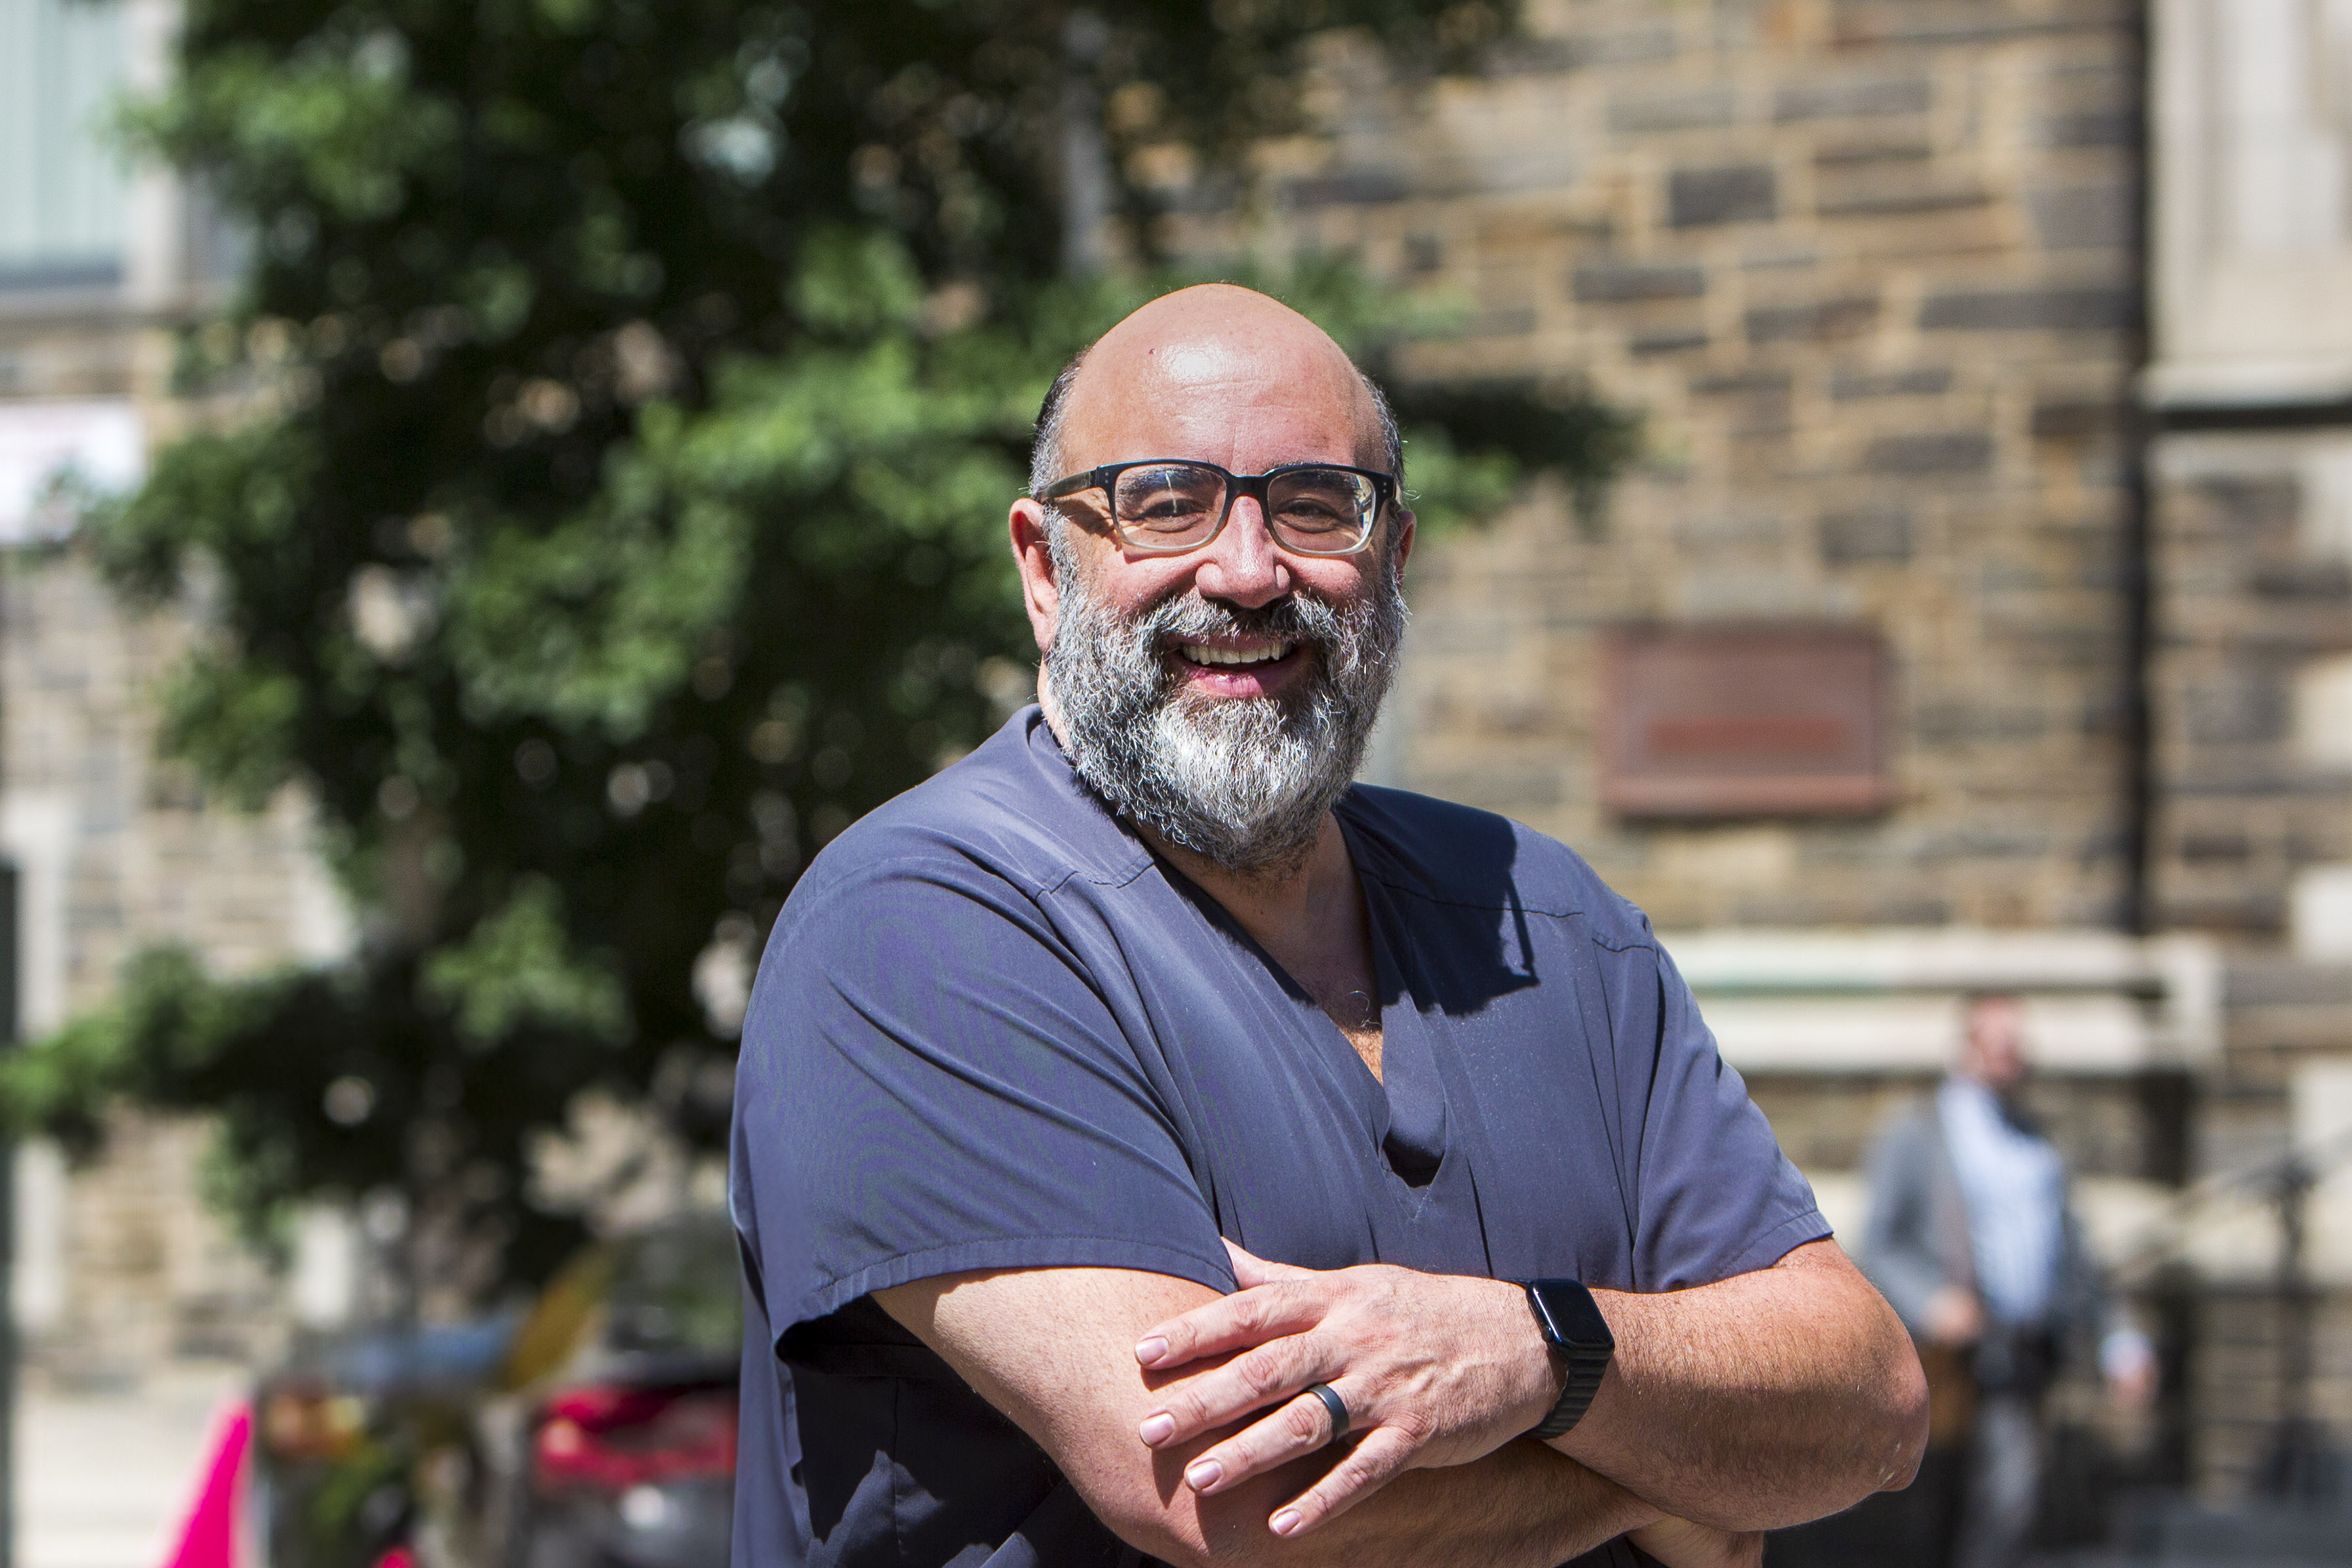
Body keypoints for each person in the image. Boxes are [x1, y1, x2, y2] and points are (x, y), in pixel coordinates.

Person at [729, 283, 1928, 1568]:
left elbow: (1870, 1402)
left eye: (1312, 506)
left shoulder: (1542, 916)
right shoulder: (925, 928)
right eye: (1164, 502)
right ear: (1042, 565)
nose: (1246, 572)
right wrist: (1674, 1476)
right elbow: (1228, 1496)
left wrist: (1538, 1356)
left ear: (1391, 559)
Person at [1859, 993, 2157, 1568]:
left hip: (2023, 1357)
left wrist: (2119, 1340)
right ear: (1965, 1048)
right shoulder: (1917, 1132)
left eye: (2016, 1047)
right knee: (1938, 1512)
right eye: (1994, 1044)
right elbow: (1880, 1244)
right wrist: (1931, 1301)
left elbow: (2077, 1256)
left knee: (2010, 1502)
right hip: (1942, 1363)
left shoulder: (2036, 1142)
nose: (2007, 1058)